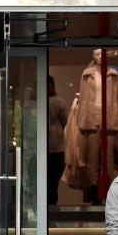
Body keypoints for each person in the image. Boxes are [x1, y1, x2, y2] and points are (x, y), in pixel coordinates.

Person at [47, 75, 68, 205]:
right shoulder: (60, 102)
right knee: (53, 182)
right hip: (58, 147)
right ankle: (52, 206)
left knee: (47, 180)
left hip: (46, 147)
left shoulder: (37, 102)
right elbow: (66, 122)